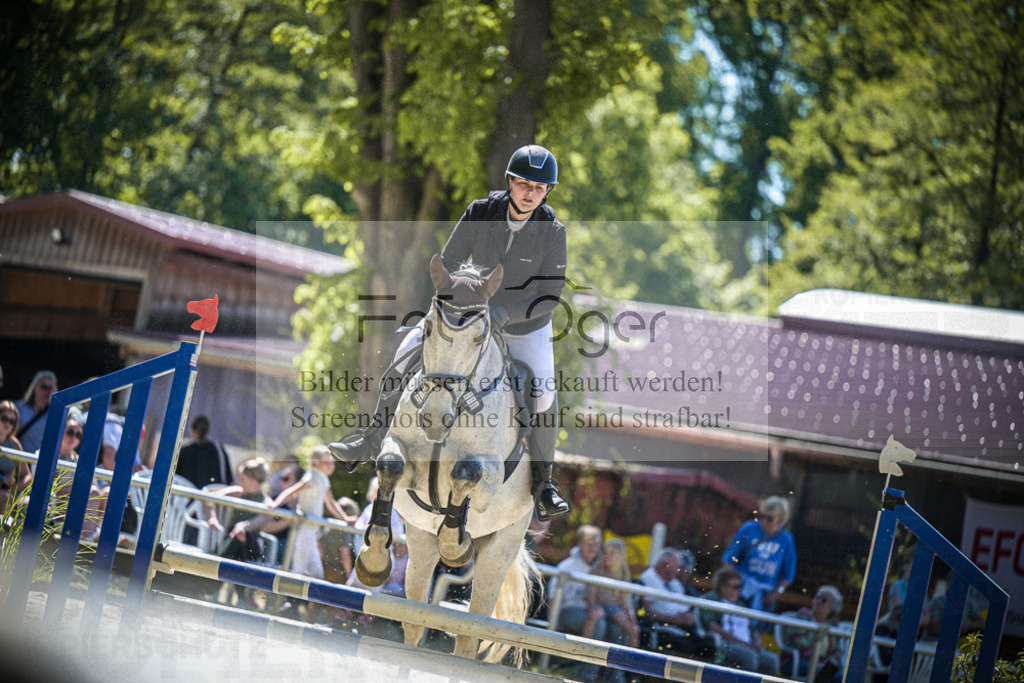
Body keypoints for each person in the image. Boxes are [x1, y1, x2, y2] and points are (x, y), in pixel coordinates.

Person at [328, 144, 570, 521]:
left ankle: (544, 483)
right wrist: (456, 301)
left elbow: (550, 295)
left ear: (547, 192)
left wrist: (504, 314)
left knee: (542, 390)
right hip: (465, 311)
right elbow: (450, 260)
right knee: (405, 351)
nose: (531, 194)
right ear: (510, 182)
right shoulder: (480, 211)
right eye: (525, 184)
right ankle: (370, 439)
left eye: (540, 189)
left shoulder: (552, 231)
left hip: (523, 324)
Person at [547, 525, 606, 682]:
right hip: (568, 612)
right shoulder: (567, 566)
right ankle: (586, 676)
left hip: (597, 611)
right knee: (599, 624)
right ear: (580, 544)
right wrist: (554, 621)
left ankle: (612, 676)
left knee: (614, 628)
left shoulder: (602, 566)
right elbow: (552, 597)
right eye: (589, 544)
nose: (593, 548)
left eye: (596, 544)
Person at [721, 495, 797, 614]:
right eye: (763, 516)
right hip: (740, 589)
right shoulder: (749, 529)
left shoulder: (786, 540)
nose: (764, 521)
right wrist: (731, 586)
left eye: (770, 518)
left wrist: (775, 594)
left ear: (780, 520)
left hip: (764, 596)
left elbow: (788, 576)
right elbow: (729, 560)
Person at [700, 566, 780, 676]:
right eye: (735, 587)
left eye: (740, 586)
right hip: (723, 645)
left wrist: (757, 641)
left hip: (746, 645)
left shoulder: (740, 605)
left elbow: (752, 629)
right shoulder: (712, 600)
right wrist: (742, 643)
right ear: (722, 587)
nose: (739, 590)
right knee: (749, 657)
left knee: (772, 660)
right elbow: (713, 627)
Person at [637, 548, 716, 660]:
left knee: (708, 647)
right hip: (661, 627)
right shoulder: (649, 578)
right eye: (677, 566)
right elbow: (644, 611)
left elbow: (684, 607)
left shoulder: (675, 583)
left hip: (684, 628)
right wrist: (675, 620)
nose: (679, 571)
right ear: (666, 565)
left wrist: (688, 618)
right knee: (685, 647)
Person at [779, 585, 845, 682]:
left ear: (833, 607)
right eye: (817, 597)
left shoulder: (834, 625)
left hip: (821, 665)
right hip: (796, 661)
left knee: (842, 678)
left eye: (824, 600)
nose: (818, 601)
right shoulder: (803, 616)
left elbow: (839, 650)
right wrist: (816, 657)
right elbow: (797, 640)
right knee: (823, 674)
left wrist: (829, 662)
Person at [583, 539, 640, 649]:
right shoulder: (597, 571)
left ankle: (629, 662)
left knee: (634, 630)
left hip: (615, 608)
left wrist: (631, 616)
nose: (606, 556)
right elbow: (591, 595)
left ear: (619, 556)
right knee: (593, 615)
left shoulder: (623, 576)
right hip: (600, 605)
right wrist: (592, 606)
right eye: (604, 552)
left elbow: (624, 602)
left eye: (611, 553)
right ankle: (582, 649)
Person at [176, 414, 230, 488]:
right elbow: (226, 479)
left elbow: (176, 477)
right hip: (211, 496)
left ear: (192, 430)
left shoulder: (183, 451)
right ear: (208, 431)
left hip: (187, 496)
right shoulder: (218, 450)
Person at [1, 399, 32, 514]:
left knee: (32, 505)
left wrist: (13, 490)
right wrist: (3, 479)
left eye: (12, 421)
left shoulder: (14, 443)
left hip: (8, 493)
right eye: (4, 419)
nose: (8, 424)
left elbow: (27, 476)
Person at [15, 370, 57, 453]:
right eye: (44, 387)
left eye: (51, 388)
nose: (48, 392)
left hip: (39, 462)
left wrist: (55, 403)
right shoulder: (19, 407)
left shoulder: (55, 415)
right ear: (34, 387)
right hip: (19, 458)